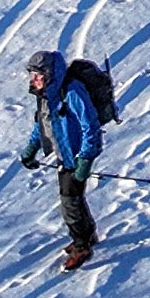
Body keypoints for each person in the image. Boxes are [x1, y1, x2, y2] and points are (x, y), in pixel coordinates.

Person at [17, 49, 116, 270]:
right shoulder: (47, 95)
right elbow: (41, 125)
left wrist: (85, 159)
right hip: (65, 156)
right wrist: (30, 150)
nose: (34, 80)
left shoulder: (72, 91)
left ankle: (82, 246)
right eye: (31, 75)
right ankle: (88, 236)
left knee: (69, 203)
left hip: (77, 157)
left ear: (50, 73)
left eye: (38, 75)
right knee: (74, 199)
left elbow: (89, 125)